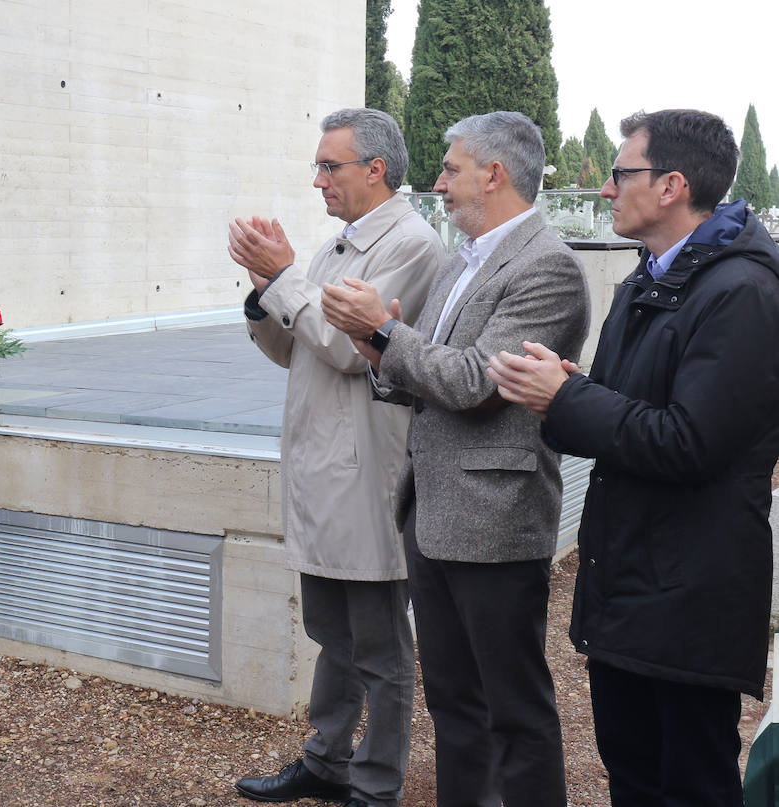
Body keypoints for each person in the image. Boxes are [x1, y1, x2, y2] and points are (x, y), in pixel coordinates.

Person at [487, 109, 779, 806]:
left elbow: (688, 441)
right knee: (635, 773)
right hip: (633, 584)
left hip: (689, 592)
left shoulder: (744, 292)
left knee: (690, 784)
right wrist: (561, 393)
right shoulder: (650, 278)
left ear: (673, 185)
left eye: (623, 173)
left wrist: (569, 399)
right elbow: (621, 413)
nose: (608, 189)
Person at [322, 111, 590, 807]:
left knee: (515, 712)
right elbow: (423, 369)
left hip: (496, 523)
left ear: (493, 174)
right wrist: (379, 348)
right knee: (452, 706)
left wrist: (382, 330)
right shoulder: (457, 259)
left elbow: (475, 382)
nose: (437, 181)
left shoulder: (547, 267)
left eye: (450, 168)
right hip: (433, 512)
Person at [227, 108, 442, 807]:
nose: (317, 178)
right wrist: (265, 292)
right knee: (331, 631)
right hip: (323, 470)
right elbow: (293, 345)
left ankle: (376, 786)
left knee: (379, 645)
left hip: (363, 475)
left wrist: (284, 275)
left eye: (330, 165)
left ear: (374, 170)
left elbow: (354, 348)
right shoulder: (338, 248)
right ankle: (326, 759)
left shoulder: (410, 245)